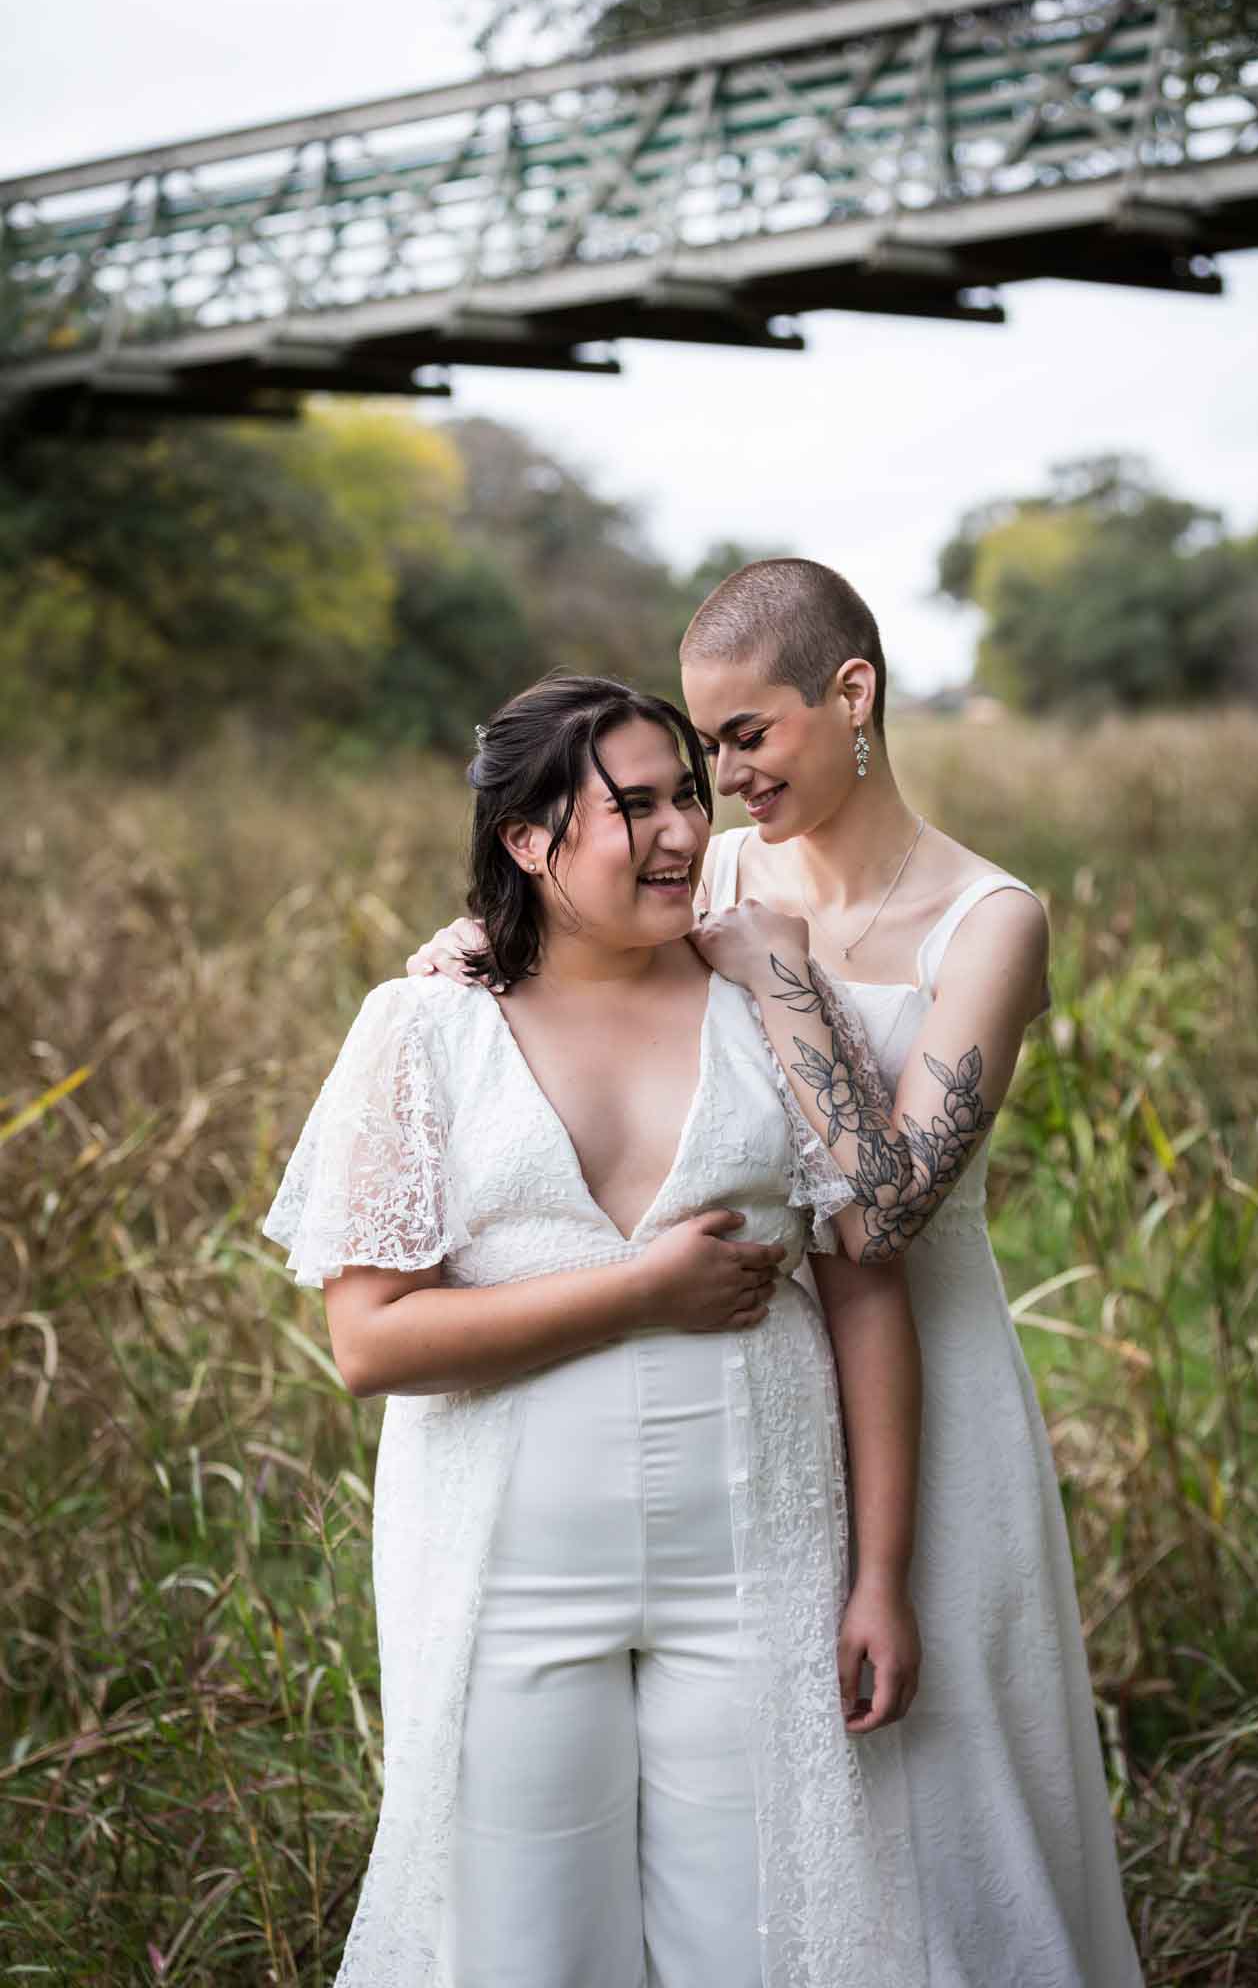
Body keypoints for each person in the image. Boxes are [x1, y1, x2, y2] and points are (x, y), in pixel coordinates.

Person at [409, 561, 1144, 1988]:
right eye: (700, 751)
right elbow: (559, 969)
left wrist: (785, 979)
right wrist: (462, 960)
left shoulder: (986, 921)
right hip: (760, 1400)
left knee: (934, 1778)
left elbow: (882, 1220)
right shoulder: (715, 866)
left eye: (747, 736)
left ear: (849, 695)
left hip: (927, 1376)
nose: (719, 782)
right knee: (771, 1814)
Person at [265, 672, 931, 1988]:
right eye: (634, 805)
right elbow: (371, 1344)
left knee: (759, 1944)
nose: (685, 831)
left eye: (687, 793)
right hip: (506, 1574)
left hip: (759, 1563)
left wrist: (877, 1577)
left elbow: (867, 1284)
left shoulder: (771, 1008)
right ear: (527, 838)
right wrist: (639, 1291)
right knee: (521, 1949)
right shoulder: (422, 1028)